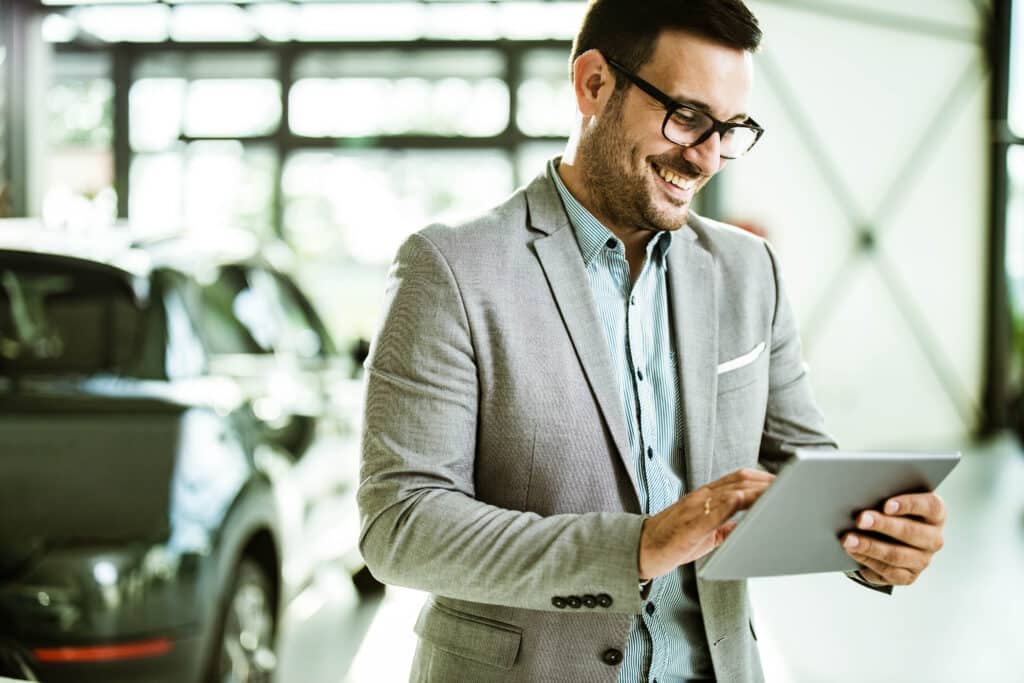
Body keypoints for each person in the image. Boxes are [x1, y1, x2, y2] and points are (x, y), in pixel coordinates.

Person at [357, 1, 948, 681]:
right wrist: (636, 546)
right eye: (688, 116)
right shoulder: (453, 268)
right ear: (593, 84)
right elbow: (401, 525)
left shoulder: (749, 271)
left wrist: (874, 536)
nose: (705, 157)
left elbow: (800, 465)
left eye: (729, 129)